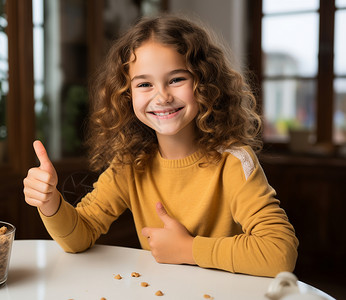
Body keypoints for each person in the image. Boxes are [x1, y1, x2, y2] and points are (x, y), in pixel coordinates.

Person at [23, 15, 298, 277]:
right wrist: (50, 202)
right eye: (144, 84)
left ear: (204, 82)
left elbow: (279, 252)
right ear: (126, 95)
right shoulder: (130, 164)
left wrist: (188, 249)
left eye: (177, 79)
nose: (162, 96)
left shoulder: (234, 162)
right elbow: (79, 237)